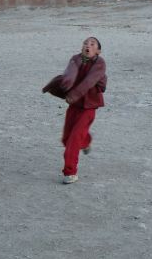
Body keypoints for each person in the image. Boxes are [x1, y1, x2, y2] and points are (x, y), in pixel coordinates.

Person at [42, 36, 107, 184]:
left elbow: (89, 81)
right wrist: (62, 84)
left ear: (98, 51)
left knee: (73, 141)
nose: (87, 45)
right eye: (85, 43)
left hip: (89, 107)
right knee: (66, 138)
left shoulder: (100, 63)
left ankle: (70, 172)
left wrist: (74, 94)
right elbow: (69, 74)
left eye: (92, 44)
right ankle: (86, 141)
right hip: (74, 105)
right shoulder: (75, 59)